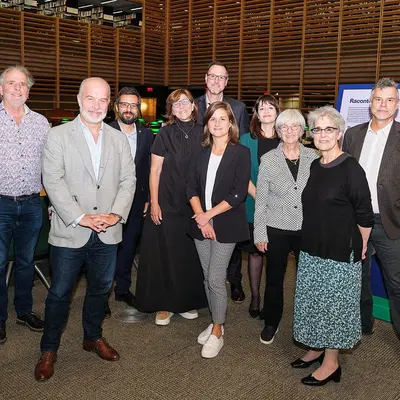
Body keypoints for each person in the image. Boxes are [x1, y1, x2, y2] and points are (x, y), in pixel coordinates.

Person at [34, 77, 136, 381]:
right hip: (71, 230)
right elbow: (53, 182)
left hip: (108, 230)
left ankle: (92, 337)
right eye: (90, 99)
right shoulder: (58, 135)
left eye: (103, 100)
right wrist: (80, 217)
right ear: (79, 101)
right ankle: (49, 349)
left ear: (109, 105)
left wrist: (116, 215)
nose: (96, 105)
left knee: (100, 289)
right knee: (60, 295)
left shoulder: (118, 138)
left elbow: (128, 181)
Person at [292, 106, 374, 386]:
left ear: (339, 133)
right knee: (314, 302)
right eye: (317, 129)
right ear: (311, 134)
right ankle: (316, 348)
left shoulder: (351, 168)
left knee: (334, 308)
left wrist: (361, 243)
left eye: (329, 129)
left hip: (340, 251)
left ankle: (331, 362)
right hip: (313, 248)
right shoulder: (316, 165)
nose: (323, 134)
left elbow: (364, 213)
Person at [135, 89, 208, 325]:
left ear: (193, 105)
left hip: (194, 203)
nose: (181, 107)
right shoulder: (164, 133)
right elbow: (154, 170)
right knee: (164, 253)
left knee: (189, 255)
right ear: (171, 110)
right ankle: (164, 305)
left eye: (185, 102)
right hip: (166, 200)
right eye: (175, 104)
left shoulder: (204, 132)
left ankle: (185, 302)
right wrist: (154, 202)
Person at [187, 101, 250, 358]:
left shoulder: (241, 152)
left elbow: (237, 194)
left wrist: (209, 216)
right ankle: (216, 321)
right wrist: (202, 218)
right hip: (201, 223)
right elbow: (190, 187)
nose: (217, 123)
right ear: (207, 124)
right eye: (213, 119)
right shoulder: (200, 153)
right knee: (206, 276)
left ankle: (217, 331)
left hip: (225, 224)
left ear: (231, 123)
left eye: (222, 119)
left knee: (215, 278)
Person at [254, 109, 318, 345]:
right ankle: (271, 321)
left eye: (295, 127)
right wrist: (259, 232)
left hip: (307, 228)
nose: (289, 131)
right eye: (284, 127)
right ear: (278, 131)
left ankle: (308, 324)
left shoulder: (315, 156)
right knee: (273, 279)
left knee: (309, 279)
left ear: (303, 131)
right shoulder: (268, 159)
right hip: (276, 228)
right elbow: (261, 200)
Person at [343, 77, 400, 338]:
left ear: (397, 104)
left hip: (391, 224)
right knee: (357, 280)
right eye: (379, 99)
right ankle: (362, 326)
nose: (383, 105)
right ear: (370, 102)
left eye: (390, 100)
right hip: (355, 222)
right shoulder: (353, 135)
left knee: (396, 284)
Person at [0, 66, 49, 345]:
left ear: (28, 91)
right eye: (11, 83)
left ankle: (24, 311)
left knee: (26, 262)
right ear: (1, 89)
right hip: (1, 204)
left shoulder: (41, 123)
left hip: (32, 205)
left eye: (22, 84)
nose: (17, 89)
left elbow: (50, 167)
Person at [195, 60, 250, 303]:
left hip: (227, 172)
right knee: (204, 254)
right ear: (206, 79)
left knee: (230, 234)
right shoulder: (193, 104)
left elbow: (243, 141)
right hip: (199, 172)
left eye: (222, 77)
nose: (216, 81)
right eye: (213, 76)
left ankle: (234, 280)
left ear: (227, 82)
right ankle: (207, 289)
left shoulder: (238, 107)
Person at [106, 87, 153, 317]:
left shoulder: (146, 135)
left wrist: (148, 198)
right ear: (116, 107)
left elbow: (147, 169)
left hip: (136, 201)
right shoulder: (104, 132)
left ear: (139, 108)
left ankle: (122, 289)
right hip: (107, 201)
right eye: (124, 104)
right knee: (106, 248)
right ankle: (101, 294)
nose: (128, 109)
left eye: (133, 105)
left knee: (128, 246)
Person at [240, 94, 280, 318]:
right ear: (256, 113)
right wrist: (260, 196)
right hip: (252, 204)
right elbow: (242, 173)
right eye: (261, 108)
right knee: (255, 253)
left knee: (275, 256)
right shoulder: (246, 139)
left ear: (277, 112)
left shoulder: (287, 138)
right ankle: (255, 296)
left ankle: (272, 300)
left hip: (279, 208)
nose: (266, 111)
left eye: (270, 107)